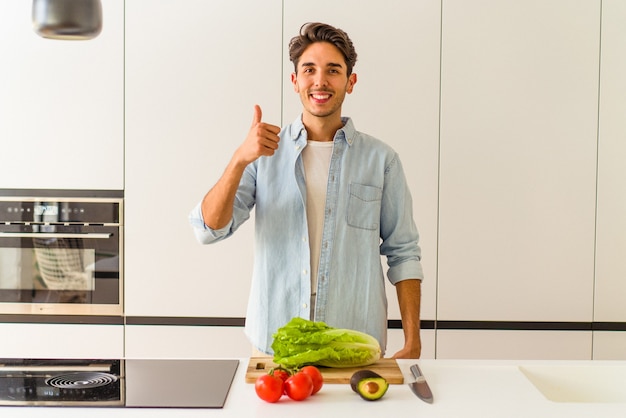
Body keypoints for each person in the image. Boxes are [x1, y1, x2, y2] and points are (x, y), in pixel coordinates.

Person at [189, 22, 423, 358]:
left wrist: (413, 342)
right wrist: (239, 159)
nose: (320, 81)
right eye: (309, 69)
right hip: (275, 343)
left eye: (333, 70)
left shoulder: (381, 160)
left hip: (354, 343)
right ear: (295, 80)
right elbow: (208, 230)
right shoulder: (263, 153)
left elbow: (404, 252)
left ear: (350, 82)